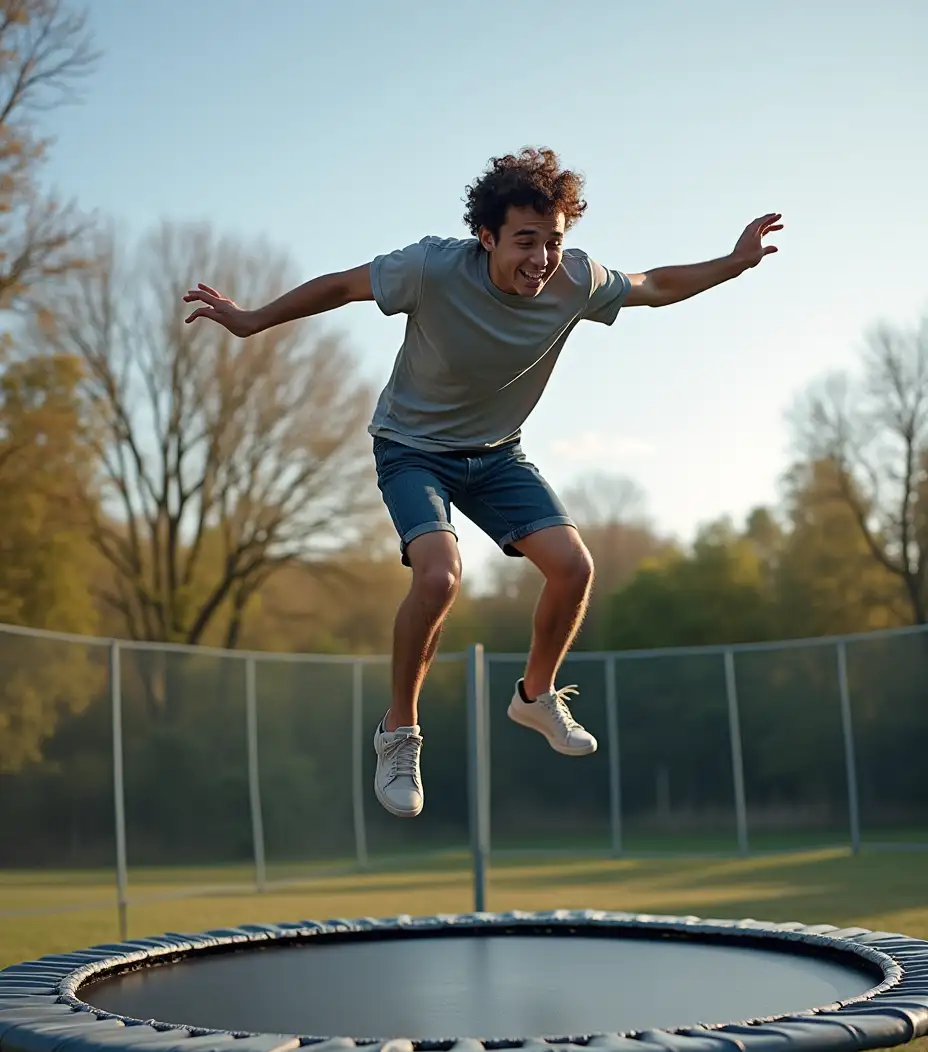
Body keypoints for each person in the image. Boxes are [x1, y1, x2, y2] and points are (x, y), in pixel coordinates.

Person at [184, 147, 782, 819]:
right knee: (439, 577)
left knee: (574, 568)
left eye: (554, 242)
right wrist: (252, 318)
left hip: (497, 455)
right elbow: (341, 287)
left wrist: (734, 263)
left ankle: (534, 697)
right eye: (526, 241)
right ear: (487, 236)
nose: (542, 258)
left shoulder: (576, 281)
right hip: (412, 449)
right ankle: (399, 732)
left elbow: (653, 285)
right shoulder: (432, 268)